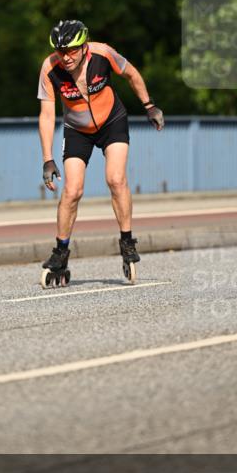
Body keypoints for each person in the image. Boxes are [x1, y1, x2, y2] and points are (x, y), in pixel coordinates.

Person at [37, 19, 164, 285]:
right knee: (72, 191)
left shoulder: (103, 54)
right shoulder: (50, 68)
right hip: (77, 129)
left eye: (72, 50)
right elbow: (47, 115)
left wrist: (149, 105)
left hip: (111, 122)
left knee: (115, 179)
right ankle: (60, 253)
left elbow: (132, 74)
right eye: (61, 51)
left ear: (84, 46)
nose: (66, 57)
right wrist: (47, 158)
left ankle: (127, 242)